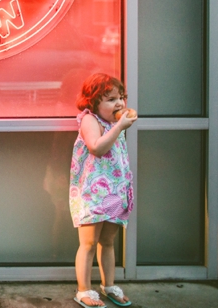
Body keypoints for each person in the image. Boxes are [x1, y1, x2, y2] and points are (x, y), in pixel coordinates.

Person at [70, 73, 136, 307]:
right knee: (88, 243)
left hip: (115, 192)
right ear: (93, 102)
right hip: (92, 193)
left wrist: (118, 125)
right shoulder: (90, 120)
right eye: (110, 99)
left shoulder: (115, 122)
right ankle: (83, 290)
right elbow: (96, 148)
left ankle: (108, 285)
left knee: (108, 242)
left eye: (121, 97)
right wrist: (119, 126)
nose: (119, 103)